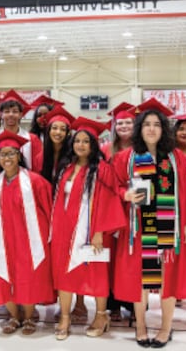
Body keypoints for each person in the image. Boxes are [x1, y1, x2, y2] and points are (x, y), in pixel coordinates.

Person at [112, 98, 186, 348]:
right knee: (142, 278)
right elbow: (115, 186)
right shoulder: (126, 157)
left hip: (169, 226)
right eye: (147, 124)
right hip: (139, 227)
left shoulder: (175, 158)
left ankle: (165, 327)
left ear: (164, 129)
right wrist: (125, 194)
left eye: (157, 124)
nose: (151, 129)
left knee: (166, 278)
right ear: (139, 128)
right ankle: (140, 325)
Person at [51, 117, 125, 340]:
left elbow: (109, 200)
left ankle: (101, 316)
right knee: (64, 273)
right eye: (77, 141)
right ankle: (65, 317)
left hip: (92, 231)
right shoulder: (66, 168)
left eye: (86, 141)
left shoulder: (103, 169)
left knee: (96, 273)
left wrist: (99, 232)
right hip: (65, 230)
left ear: (93, 145)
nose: (80, 145)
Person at [0, 130, 54, 336]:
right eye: (3, 154)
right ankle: (14, 316)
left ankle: (29, 317)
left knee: (28, 275)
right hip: (3, 239)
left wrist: (49, 236)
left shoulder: (35, 181)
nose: (7, 158)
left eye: (11, 153)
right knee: (4, 275)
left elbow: (48, 209)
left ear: (19, 156)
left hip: (29, 239)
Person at [100, 101, 135, 322]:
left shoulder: (142, 149)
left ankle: (133, 304)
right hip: (111, 207)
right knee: (111, 258)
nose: (123, 126)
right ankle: (112, 304)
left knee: (131, 258)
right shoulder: (106, 150)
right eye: (120, 123)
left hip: (134, 208)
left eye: (128, 122)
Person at [0, 89, 44, 173]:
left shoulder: (32, 139)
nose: (11, 114)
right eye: (7, 111)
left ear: (21, 114)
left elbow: (38, 168)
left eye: (15, 111)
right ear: (1, 114)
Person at [40, 105, 75, 186]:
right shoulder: (41, 156)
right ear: (49, 130)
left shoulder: (73, 156)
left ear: (67, 133)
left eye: (63, 129)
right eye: (54, 128)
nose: (58, 132)